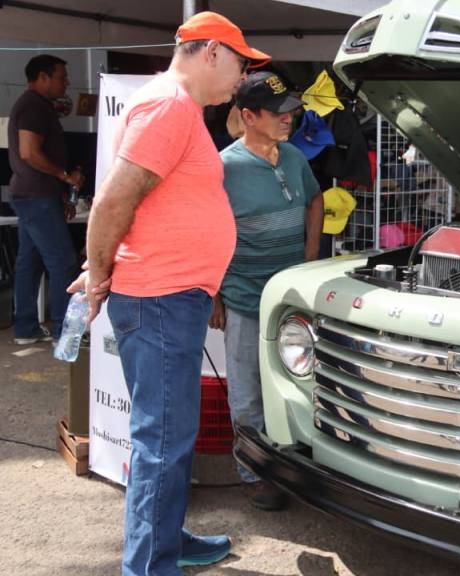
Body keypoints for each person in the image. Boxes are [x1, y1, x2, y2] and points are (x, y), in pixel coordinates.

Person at [68, 11, 269, 575]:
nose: (243, 78)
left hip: (168, 298)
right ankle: (150, 565)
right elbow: (113, 201)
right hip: (158, 300)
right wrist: (100, 271)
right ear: (210, 53)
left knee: (166, 439)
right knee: (162, 441)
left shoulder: (175, 107)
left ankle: (167, 541)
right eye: (240, 63)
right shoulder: (169, 107)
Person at [209, 71, 323, 510]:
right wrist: (214, 294)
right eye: (276, 113)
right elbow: (206, 232)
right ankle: (253, 474)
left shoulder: (293, 157)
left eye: (289, 111)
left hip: (292, 303)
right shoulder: (223, 167)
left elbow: (314, 200)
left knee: (297, 382)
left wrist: (309, 262)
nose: (287, 119)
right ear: (248, 116)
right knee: (247, 391)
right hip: (244, 298)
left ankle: (295, 465)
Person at [7, 54, 83, 344]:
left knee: (31, 261)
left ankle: (26, 327)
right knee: (63, 261)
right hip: (36, 195)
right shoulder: (34, 107)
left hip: (35, 194)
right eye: (62, 77)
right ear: (43, 78)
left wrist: (61, 190)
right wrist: (64, 176)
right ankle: (65, 331)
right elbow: (29, 152)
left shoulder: (35, 106)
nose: (67, 82)